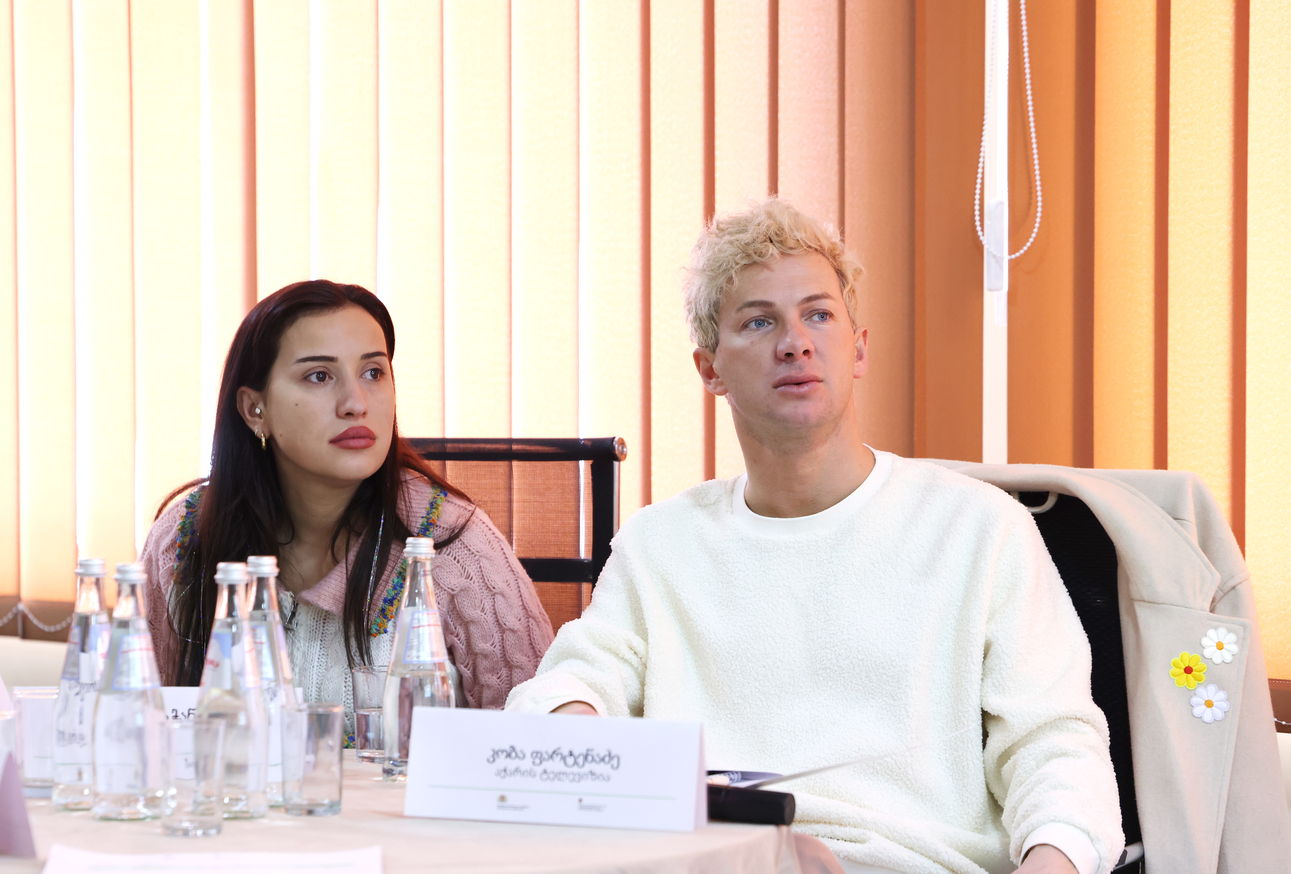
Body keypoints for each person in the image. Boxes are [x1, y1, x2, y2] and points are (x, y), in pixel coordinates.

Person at [506, 199, 1124, 874]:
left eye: (818, 314)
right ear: (709, 369)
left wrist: (1051, 863)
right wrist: (578, 732)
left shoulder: (981, 529)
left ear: (858, 349)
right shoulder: (660, 545)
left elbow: (1056, 751)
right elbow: (571, 685)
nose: (795, 342)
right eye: (759, 321)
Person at [141, 280, 554, 722]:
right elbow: (142, 727)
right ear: (254, 409)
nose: (356, 404)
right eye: (319, 376)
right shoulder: (183, 540)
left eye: (373, 372)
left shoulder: (454, 547)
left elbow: (538, 736)